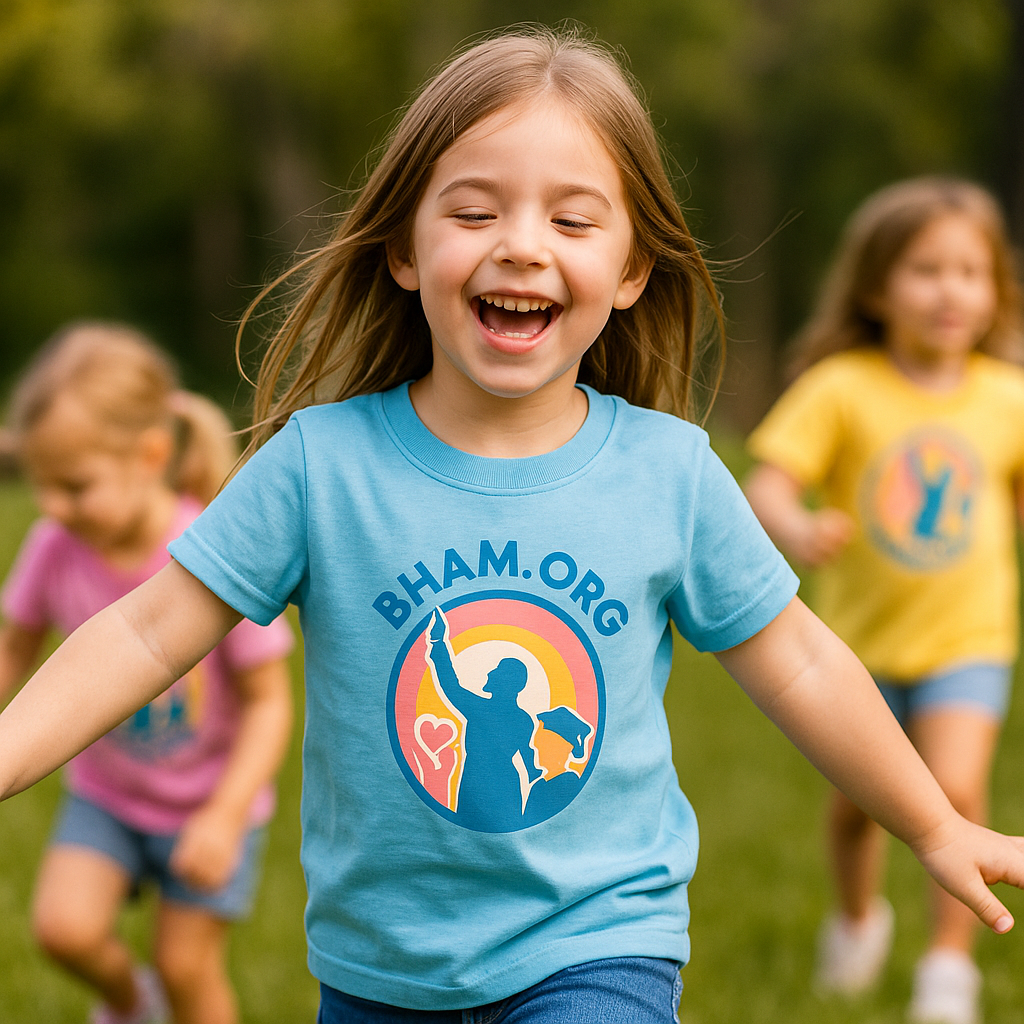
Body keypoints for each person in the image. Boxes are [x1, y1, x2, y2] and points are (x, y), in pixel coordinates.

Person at [1, 30, 1023, 1024]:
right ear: (406, 247)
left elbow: (799, 660)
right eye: (476, 210)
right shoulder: (320, 467)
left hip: (599, 942)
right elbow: (143, 632)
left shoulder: (669, 474)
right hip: (381, 966)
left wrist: (931, 821)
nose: (522, 246)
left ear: (629, 271)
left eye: (573, 223)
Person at [745, 177, 1024, 1024]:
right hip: (859, 647)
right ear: (874, 286)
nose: (950, 290)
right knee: (860, 809)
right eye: (925, 270)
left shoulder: (1007, 397)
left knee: (956, 791)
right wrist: (797, 526)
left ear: (995, 290)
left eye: (970, 272)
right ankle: (859, 921)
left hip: (967, 641)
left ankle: (948, 968)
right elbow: (768, 483)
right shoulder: (842, 387)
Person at [0, 323, 294, 1024]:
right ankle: (134, 1006)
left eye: (74, 485)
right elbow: (14, 647)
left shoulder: (209, 551)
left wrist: (225, 817)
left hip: (207, 806)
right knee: (63, 930)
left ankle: (168, 995)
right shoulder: (53, 547)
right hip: (107, 796)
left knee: (187, 966)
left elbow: (270, 704)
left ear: (151, 453)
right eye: (41, 484)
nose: (52, 507)